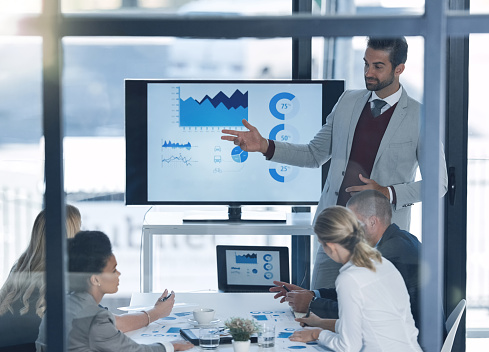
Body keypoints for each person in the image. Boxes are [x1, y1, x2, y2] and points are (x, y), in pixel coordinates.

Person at [221, 37, 448, 289]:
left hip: (379, 242)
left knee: (364, 321)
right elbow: (314, 153)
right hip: (334, 235)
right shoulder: (347, 102)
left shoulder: (420, 117)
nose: (368, 73)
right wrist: (265, 145)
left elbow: (438, 183)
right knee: (317, 309)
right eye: (365, 64)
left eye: (377, 66)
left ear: (399, 69)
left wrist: (387, 192)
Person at [0, 205, 175, 352]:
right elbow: (114, 324)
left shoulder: (21, 265)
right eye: (79, 229)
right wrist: (156, 313)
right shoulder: (63, 276)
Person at [271, 190, 421, 328]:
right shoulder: (399, 240)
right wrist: (313, 294)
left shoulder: (390, 254)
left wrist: (310, 303)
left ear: (372, 222)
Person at [287, 206, 422, 352]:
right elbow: (369, 323)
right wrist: (321, 323)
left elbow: (348, 347)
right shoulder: (380, 262)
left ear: (331, 246)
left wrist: (317, 333)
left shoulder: (350, 278)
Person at [36, 230, 193, 352]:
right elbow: (135, 351)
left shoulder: (66, 304)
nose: (119, 274)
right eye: (113, 270)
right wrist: (172, 346)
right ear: (95, 279)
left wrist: (156, 312)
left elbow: (115, 322)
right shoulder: (94, 319)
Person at [0, 205, 82, 351]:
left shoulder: (20, 269)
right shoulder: (61, 279)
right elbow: (102, 322)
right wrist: (138, 317)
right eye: (79, 230)